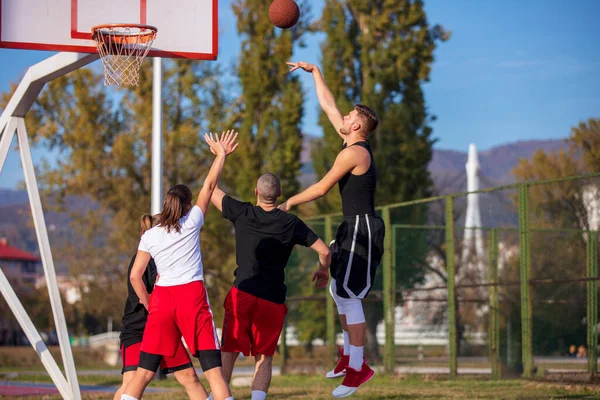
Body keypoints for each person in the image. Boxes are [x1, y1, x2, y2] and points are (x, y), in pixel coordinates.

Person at [281, 61, 385, 398]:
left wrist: (290, 202)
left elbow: (322, 187)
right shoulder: (350, 140)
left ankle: (359, 368)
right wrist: (315, 73)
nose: (342, 116)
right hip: (351, 226)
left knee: (349, 295)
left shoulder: (354, 153)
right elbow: (328, 104)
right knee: (337, 290)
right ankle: (348, 357)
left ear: (355, 125)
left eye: (348, 115)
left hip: (362, 229)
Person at [121, 131, 239, 400]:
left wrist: (149, 303)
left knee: (144, 373)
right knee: (214, 373)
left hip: (161, 299)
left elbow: (136, 276)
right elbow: (208, 187)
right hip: (191, 296)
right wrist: (221, 155)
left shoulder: (149, 235)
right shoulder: (192, 223)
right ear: (187, 206)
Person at [206, 172, 331, 400]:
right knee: (264, 357)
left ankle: (218, 397)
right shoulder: (291, 223)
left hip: (242, 294)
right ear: (280, 194)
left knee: (228, 352)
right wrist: (323, 270)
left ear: (256, 192)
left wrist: (221, 156)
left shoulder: (242, 212)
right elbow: (324, 251)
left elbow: (210, 188)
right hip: (272, 300)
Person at [114, 214, 207, 400]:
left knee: (189, 377)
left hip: (163, 328)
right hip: (138, 330)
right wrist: (150, 304)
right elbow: (138, 283)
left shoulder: (166, 259)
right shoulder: (145, 262)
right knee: (131, 381)